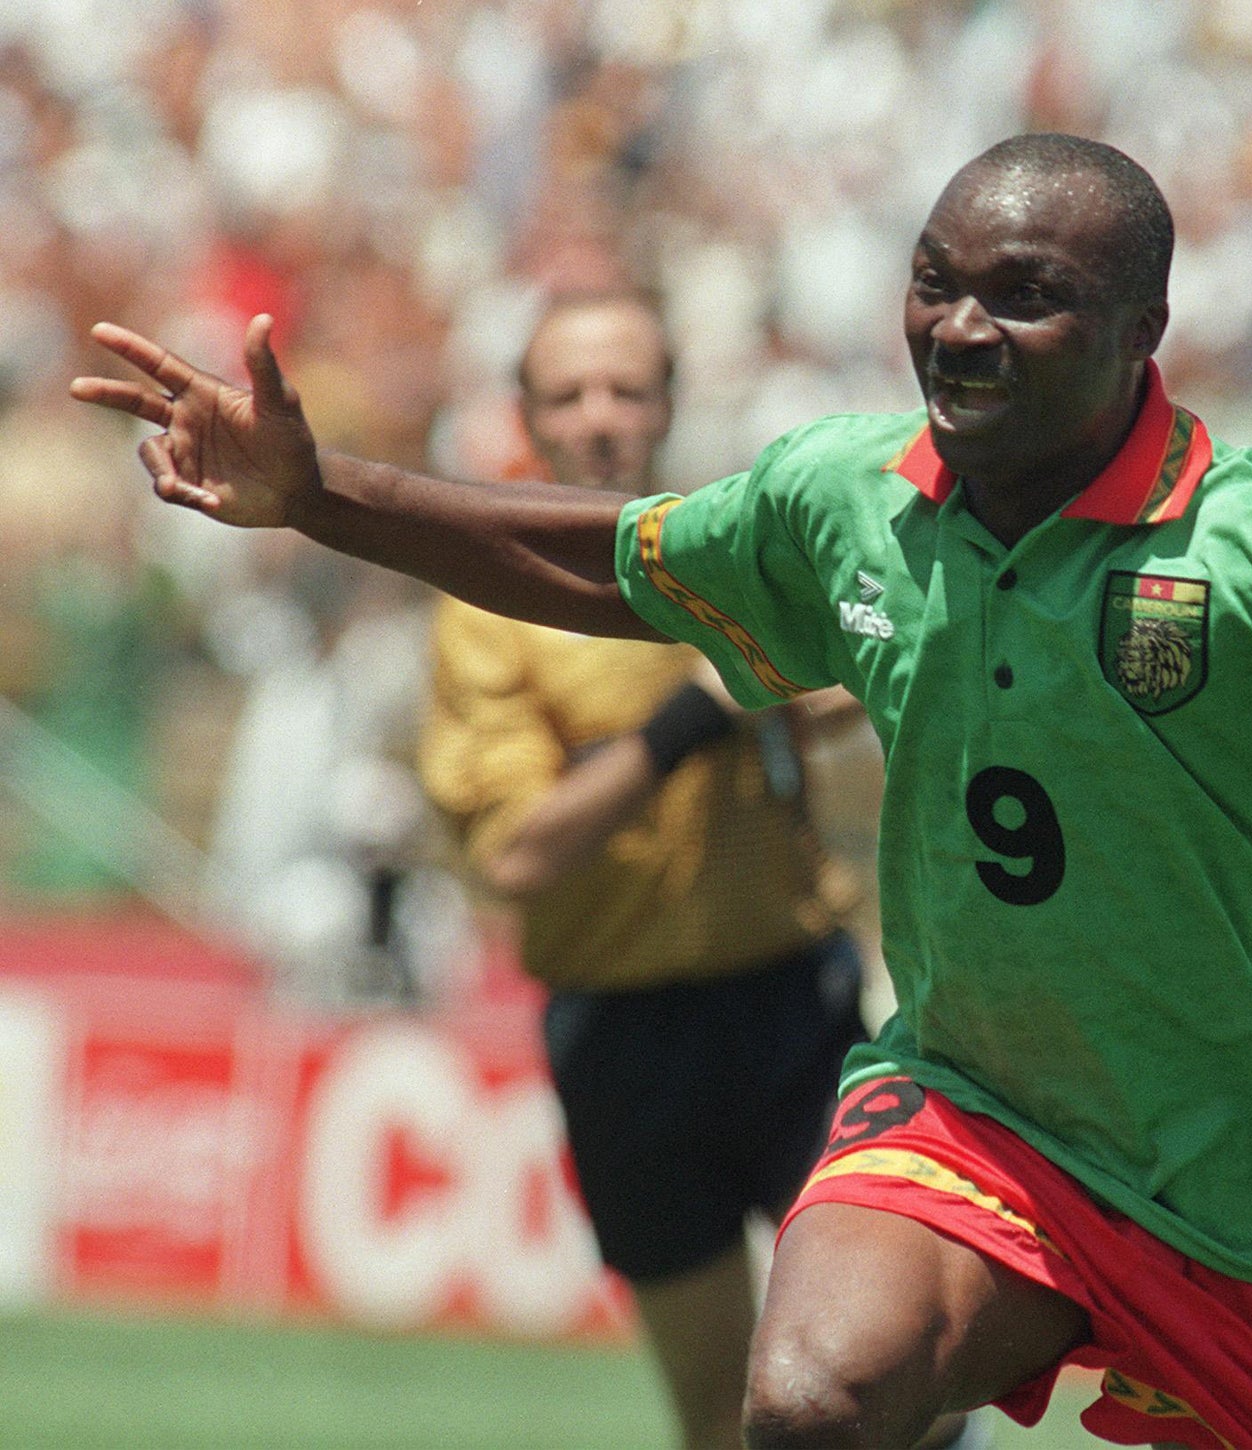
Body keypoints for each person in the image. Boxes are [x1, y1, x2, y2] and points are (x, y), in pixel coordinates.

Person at [73, 133, 1252, 1450]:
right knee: (813, 1398)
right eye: (936, 282)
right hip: (986, 1113)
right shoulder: (849, 501)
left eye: (1027, 297)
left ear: (1143, 324)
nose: (961, 327)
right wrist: (313, 495)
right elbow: (603, 559)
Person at [414, 288, 870, 1450]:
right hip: (623, 1034)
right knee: (716, 1408)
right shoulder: (490, 610)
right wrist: (692, 720)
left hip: (796, 1006)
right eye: (569, 394)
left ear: (669, 403)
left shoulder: (731, 549)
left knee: (875, 1368)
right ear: (526, 415)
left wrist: (774, 691)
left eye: (627, 388)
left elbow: (845, 686)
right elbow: (516, 848)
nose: (602, 417)